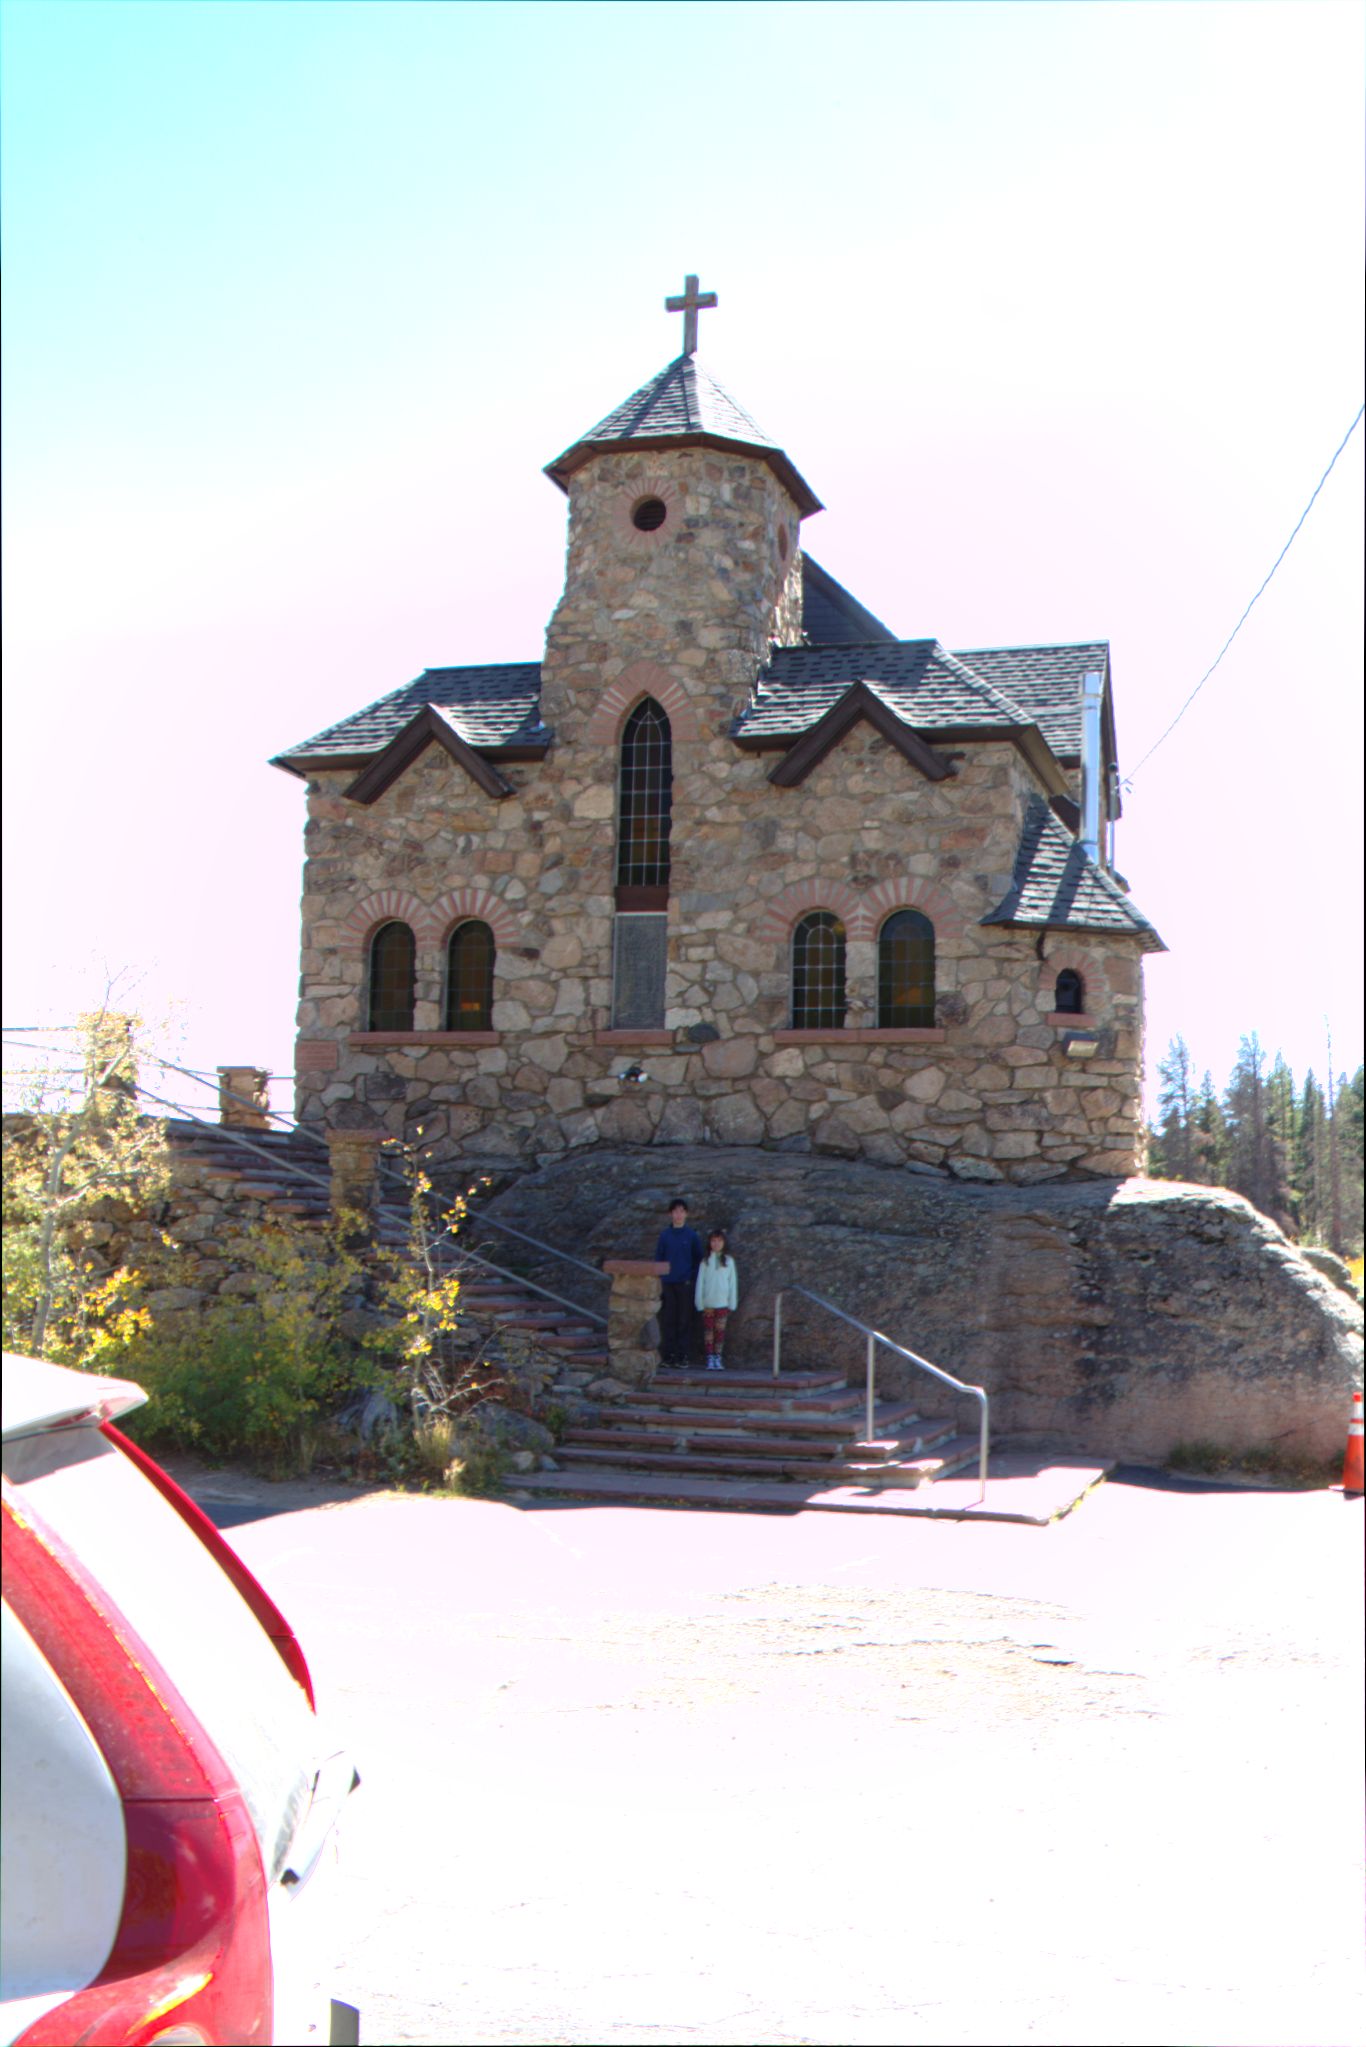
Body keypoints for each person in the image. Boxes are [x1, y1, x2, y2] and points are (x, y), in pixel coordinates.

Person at [654, 1197, 703, 1369]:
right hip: (667, 1283)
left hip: (685, 1284)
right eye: (675, 1211)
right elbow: (658, 1259)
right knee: (668, 1320)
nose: (678, 1214)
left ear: (686, 1214)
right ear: (670, 1214)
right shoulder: (665, 1236)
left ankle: (683, 1356)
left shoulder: (691, 1236)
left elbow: (698, 1260)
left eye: (682, 1211)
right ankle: (668, 1355)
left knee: (684, 1320)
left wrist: (691, 1278)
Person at [695, 1227, 738, 1372]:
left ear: (724, 1242)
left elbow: (732, 1283)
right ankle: (710, 1357)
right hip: (708, 1303)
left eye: (719, 1240)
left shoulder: (729, 1261)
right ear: (709, 1243)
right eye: (713, 1240)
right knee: (708, 1332)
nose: (716, 1243)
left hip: (722, 1304)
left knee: (720, 1332)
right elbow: (700, 1283)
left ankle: (718, 1356)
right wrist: (699, 1302)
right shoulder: (705, 1262)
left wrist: (732, 1302)